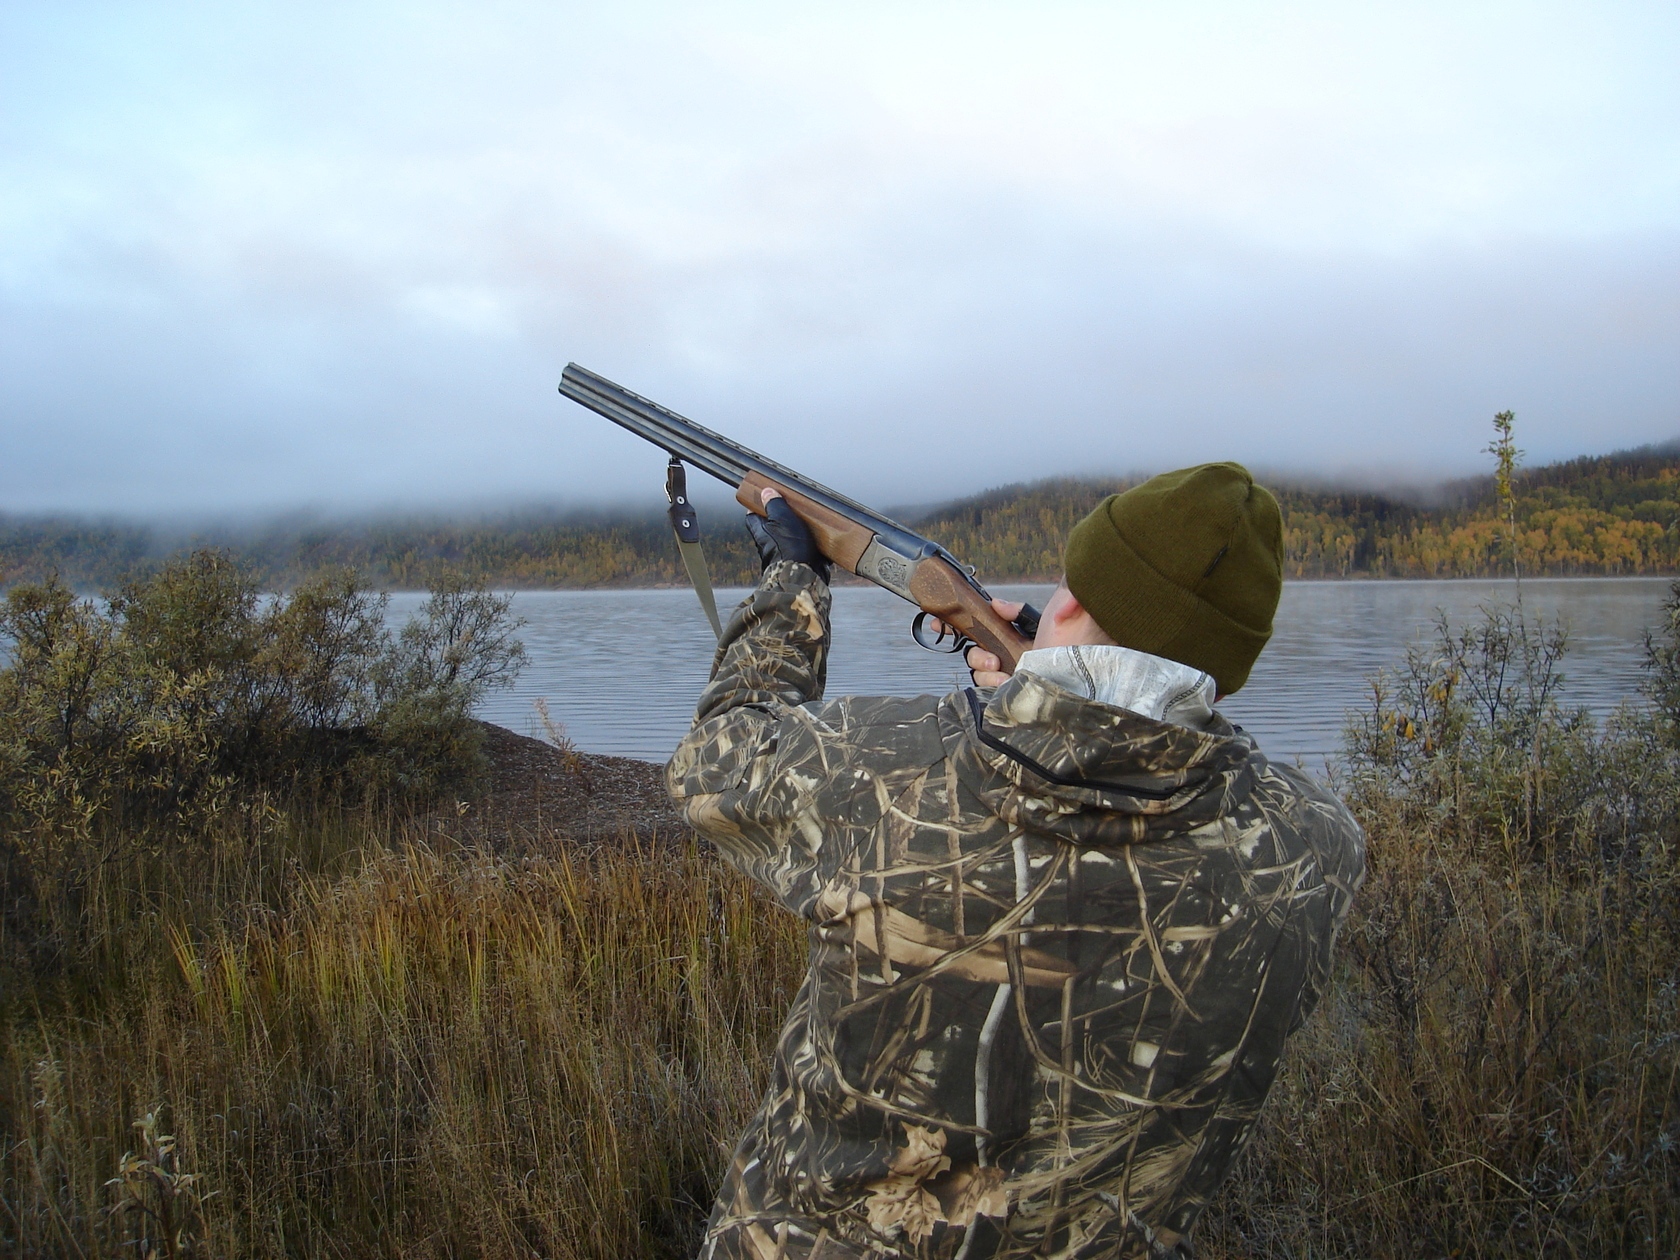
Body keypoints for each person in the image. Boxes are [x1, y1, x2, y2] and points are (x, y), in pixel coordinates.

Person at [667, 463, 1366, 1259]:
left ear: (1068, 601)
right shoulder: (1316, 845)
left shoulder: (882, 769)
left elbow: (711, 763)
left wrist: (793, 582)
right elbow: (1165, 774)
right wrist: (1059, 695)